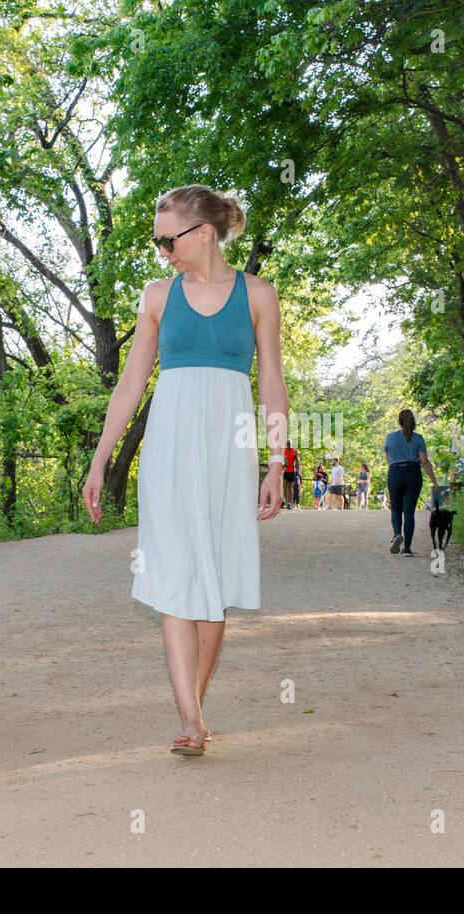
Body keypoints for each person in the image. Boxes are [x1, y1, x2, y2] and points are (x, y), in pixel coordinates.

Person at [83, 184, 287, 757]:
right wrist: (100, 461)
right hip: (169, 447)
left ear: (202, 233)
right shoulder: (155, 296)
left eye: (166, 239)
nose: (161, 250)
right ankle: (191, 719)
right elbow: (130, 386)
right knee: (175, 581)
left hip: (230, 446)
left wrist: (277, 462)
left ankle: (192, 709)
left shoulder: (258, 295)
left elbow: (272, 383)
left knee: (214, 587)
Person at [384, 410, 439, 556]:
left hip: (395, 473)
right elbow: (424, 461)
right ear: (413, 422)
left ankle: (397, 535)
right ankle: (407, 548)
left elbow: (388, 460)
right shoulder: (418, 439)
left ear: (399, 421)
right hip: (413, 474)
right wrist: (434, 481)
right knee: (409, 512)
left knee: (395, 509)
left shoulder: (390, 438)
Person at [282, 440, 299, 509]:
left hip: (291, 471)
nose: (288, 445)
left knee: (290, 487)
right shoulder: (282, 451)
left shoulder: (295, 451)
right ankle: (282, 501)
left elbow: (297, 462)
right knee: (282, 487)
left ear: (291, 444)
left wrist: (298, 471)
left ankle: (289, 503)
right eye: (287, 444)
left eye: (289, 444)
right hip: (283, 471)